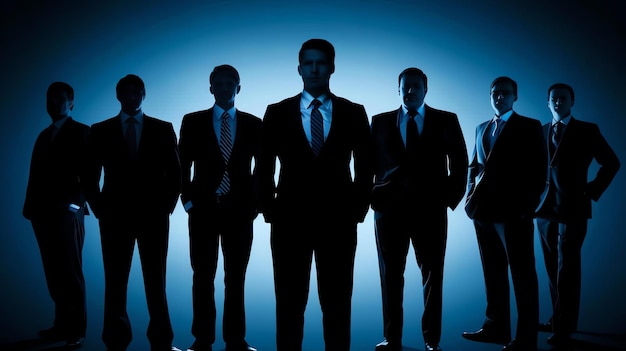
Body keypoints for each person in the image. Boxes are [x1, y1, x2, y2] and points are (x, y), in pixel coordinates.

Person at [255, 38, 373, 351]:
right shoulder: (276, 112)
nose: (315, 68)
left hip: (338, 223)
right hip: (289, 223)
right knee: (289, 305)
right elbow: (263, 169)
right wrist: (271, 212)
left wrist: (356, 212)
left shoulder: (354, 112)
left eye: (321, 62)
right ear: (299, 68)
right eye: (309, 62)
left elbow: (366, 169)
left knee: (337, 304)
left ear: (332, 67)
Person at [370, 67, 468, 351]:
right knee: (390, 277)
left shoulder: (446, 120)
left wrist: (448, 199)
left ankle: (431, 340)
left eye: (416, 86)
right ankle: (393, 339)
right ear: (397, 89)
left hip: (430, 212)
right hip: (389, 212)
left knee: (433, 277)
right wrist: (372, 196)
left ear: (426, 89)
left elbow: (460, 163)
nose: (410, 91)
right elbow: (366, 163)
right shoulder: (380, 122)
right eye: (405, 86)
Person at [85, 74, 182, 351]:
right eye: (126, 92)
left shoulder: (163, 129)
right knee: (114, 281)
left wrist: (166, 207)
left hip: (154, 216)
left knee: (156, 280)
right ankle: (115, 341)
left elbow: (175, 173)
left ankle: (162, 341)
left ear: (144, 94)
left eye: (136, 92)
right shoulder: (100, 130)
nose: (131, 97)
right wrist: (100, 209)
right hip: (114, 216)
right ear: (118, 96)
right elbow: (89, 175)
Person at [178, 65, 261, 351]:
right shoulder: (192, 121)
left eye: (230, 84)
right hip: (203, 210)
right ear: (211, 88)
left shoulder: (254, 123)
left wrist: (256, 205)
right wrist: (187, 201)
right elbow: (182, 166)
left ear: (239, 87)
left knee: (235, 278)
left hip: (239, 212)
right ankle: (202, 340)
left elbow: (262, 169)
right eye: (219, 84)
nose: (225, 88)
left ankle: (235, 340)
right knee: (202, 276)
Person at [462, 76, 547, 351]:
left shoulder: (529, 126)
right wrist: (468, 199)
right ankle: (495, 327)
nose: (500, 97)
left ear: (515, 96)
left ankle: (525, 339)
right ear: (490, 96)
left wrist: (527, 208)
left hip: (514, 214)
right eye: (495, 93)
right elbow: (474, 167)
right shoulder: (481, 127)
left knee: (523, 276)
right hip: (483, 213)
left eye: (505, 93)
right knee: (493, 273)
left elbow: (539, 170)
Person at [535, 83, 620, 346]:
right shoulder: (541, 131)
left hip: (573, 209)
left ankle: (564, 326)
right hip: (544, 209)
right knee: (551, 267)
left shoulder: (587, 130)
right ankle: (558, 318)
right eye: (554, 99)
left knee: (567, 268)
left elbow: (612, 162)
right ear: (547, 103)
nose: (558, 103)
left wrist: (590, 191)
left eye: (563, 99)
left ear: (572, 101)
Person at [23, 81, 90, 349]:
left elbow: (90, 173)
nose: (53, 103)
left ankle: (77, 330)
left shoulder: (82, 132)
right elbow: (35, 176)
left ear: (71, 103)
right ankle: (61, 325)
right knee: (53, 272)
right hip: (41, 214)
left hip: (67, 215)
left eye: (59, 99)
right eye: (50, 99)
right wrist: (30, 209)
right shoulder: (44, 135)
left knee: (71, 272)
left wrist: (75, 205)